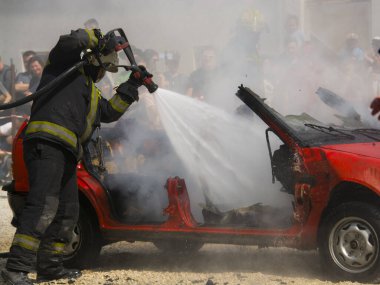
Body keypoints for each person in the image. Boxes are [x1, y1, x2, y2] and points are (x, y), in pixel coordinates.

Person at [1, 28, 152, 285]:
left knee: (68, 211)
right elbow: (68, 41)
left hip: (68, 152)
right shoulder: (61, 66)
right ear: (94, 58)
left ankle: (49, 265)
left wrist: (132, 85)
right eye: (104, 66)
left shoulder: (91, 93)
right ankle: (15, 268)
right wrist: (97, 36)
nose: (103, 73)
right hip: (46, 145)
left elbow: (109, 112)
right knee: (43, 207)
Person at [14, 51, 37, 116]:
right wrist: (36, 87)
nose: (27, 64)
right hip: (23, 112)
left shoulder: (40, 74)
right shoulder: (21, 75)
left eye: (29, 61)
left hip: (37, 110)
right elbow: (17, 87)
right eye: (25, 62)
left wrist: (25, 86)